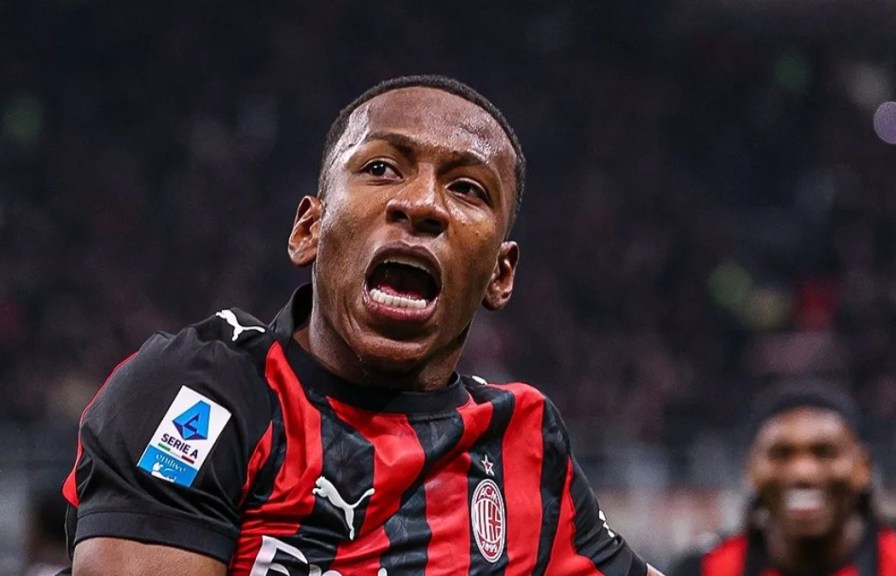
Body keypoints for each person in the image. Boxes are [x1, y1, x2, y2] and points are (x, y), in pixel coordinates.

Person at [60, 75, 664, 575]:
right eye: (381, 168)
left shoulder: (524, 445)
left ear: (500, 276)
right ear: (309, 230)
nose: (422, 204)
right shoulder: (203, 394)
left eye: (467, 188)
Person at [671, 383, 896, 575]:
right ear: (751, 469)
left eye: (825, 452)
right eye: (781, 454)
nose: (803, 473)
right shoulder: (705, 569)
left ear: (863, 468)